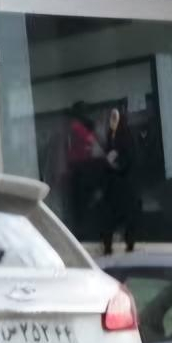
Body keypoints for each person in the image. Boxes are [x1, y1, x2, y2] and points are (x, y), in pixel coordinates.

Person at [63, 103, 106, 244]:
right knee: (86, 206)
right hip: (82, 170)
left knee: (84, 206)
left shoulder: (77, 128)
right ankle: (88, 235)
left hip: (82, 170)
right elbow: (94, 146)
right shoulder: (77, 127)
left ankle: (86, 233)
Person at [100, 107, 139, 255]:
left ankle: (130, 243)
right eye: (111, 119)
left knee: (128, 215)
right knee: (108, 216)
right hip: (112, 185)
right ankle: (107, 246)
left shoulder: (126, 136)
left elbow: (130, 158)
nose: (112, 122)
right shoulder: (110, 136)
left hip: (125, 184)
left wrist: (117, 161)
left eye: (115, 119)